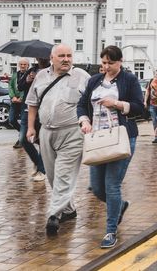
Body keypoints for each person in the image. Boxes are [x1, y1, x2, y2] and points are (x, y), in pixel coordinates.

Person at [77, 45, 144, 248]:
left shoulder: (129, 80)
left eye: (110, 63)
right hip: (97, 138)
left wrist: (117, 104)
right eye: (104, 62)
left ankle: (110, 231)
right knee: (97, 188)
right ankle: (120, 206)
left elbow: (140, 108)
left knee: (112, 184)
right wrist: (84, 121)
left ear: (120, 61)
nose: (106, 67)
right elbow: (81, 104)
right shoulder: (94, 81)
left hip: (121, 137)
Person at [26, 44, 90, 235]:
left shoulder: (82, 76)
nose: (66, 59)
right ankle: (69, 210)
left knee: (64, 174)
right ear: (52, 58)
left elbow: (91, 103)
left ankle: (54, 215)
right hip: (46, 132)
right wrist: (30, 128)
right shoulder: (41, 76)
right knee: (53, 175)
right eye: (61, 55)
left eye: (69, 55)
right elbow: (32, 103)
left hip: (72, 132)